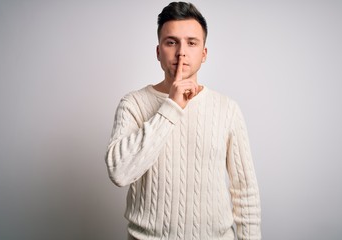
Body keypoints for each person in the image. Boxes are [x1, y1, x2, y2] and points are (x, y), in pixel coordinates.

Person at [105, 2, 261, 240]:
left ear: (204, 53)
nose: (181, 52)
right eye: (171, 42)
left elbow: (245, 191)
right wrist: (172, 106)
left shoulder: (227, 109)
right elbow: (120, 173)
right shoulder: (133, 104)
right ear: (158, 51)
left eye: (191, 42)